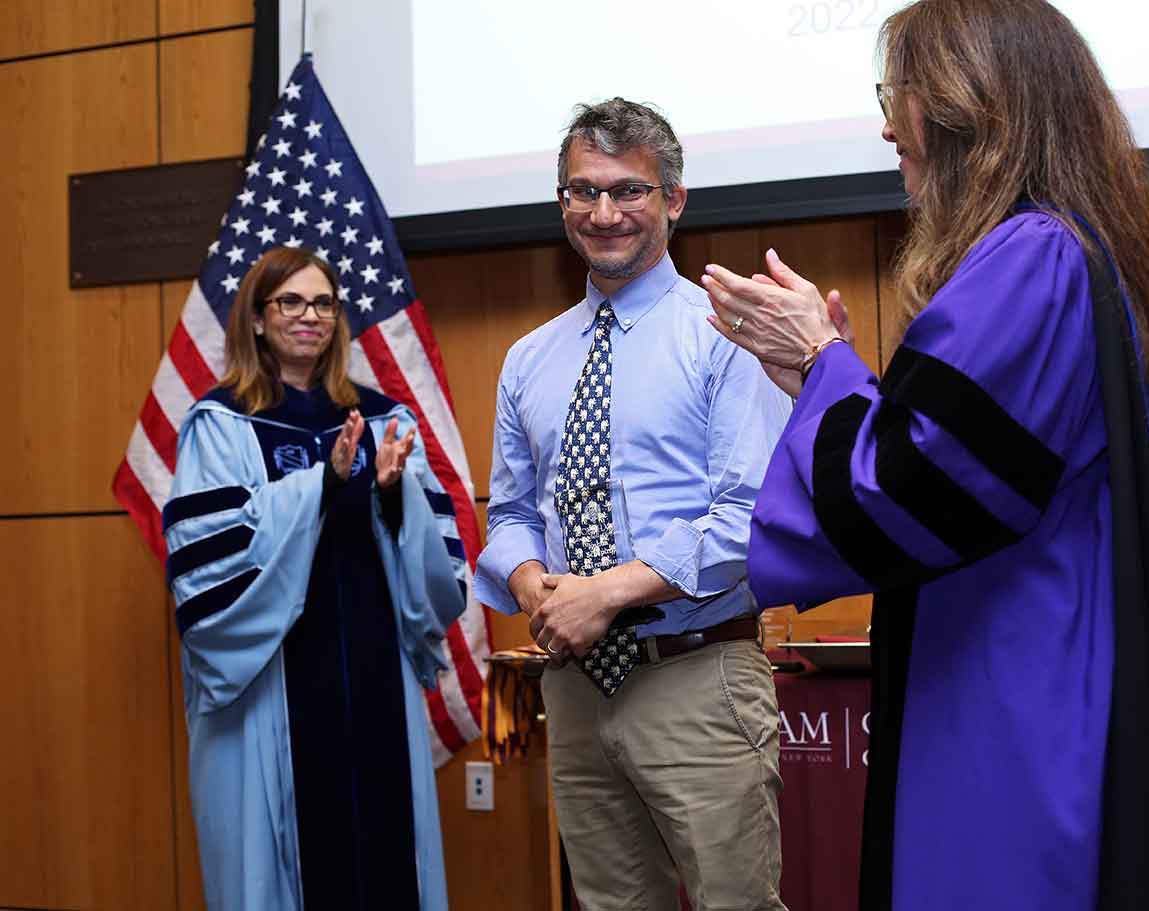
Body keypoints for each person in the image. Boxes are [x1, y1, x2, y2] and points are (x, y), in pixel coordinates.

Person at [700, 1, 1149, 909]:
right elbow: (955, 469)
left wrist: (828, 365)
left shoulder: (1031, 260)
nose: (886, 124)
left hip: (1016, 705)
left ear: (964, 108)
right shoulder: (1058, 251)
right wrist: (819, 382)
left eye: (896, 95)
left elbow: (908, 488)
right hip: (1018, 667)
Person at [472, 98, 791, 910]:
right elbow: (508, 514)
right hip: (576, 691)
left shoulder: (730, 332)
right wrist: (532, 584)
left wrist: (606, 593)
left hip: (697, 678)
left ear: (674, 200)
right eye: (583, 192)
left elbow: (748, 517)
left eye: (628, 191)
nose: (603, 213)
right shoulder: (528, 358)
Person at [163, 246, 463, 910]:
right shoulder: (222, 423)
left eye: (324, 302)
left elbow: (439, 573)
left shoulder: (384, 418)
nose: (309, 316)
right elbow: (207, 568)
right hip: (275, 681)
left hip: (374, 666)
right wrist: (322, 482)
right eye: (290, 302)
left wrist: (392, 492)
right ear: (259, 319)